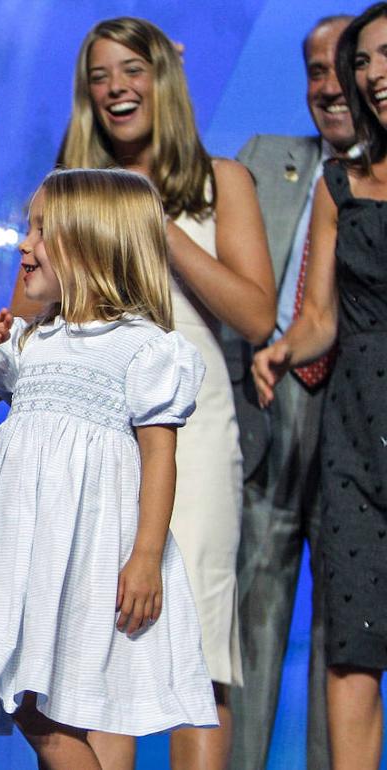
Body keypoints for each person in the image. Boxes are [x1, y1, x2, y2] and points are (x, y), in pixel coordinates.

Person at [0, 167, 218, 768]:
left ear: (91, 242)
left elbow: (160, 456)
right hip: (25, 557)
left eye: (41, 229)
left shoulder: (142, 347)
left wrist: (146, 556)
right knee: (34, 701)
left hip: (88, 556)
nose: (24, 242)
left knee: (51, 711)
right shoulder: (29, 341)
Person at [45, 16, 276, 768]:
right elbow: (33, 314)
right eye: (100, 75)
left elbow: (255, 314)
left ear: (163, 80)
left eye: (132, 70)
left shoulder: (223, 182)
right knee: (99, 649)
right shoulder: (68, 193)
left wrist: (155, 223)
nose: (116, 89)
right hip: (93, 435)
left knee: (198, 650)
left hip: (197, 438)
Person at [253, 5, 387, 767]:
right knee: (352, 649)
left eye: (382, 55)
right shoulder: (341, 182)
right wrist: (278, 352)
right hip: (357, 438)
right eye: (360, 61)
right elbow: (320, 317)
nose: (370, 74)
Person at [229, 15, 354, 770]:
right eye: (315, 70)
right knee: (250, 625)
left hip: (362, 422)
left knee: (348, 643)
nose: (330, 85)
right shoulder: (262, 160)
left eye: (345, 65)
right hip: (267, 415)